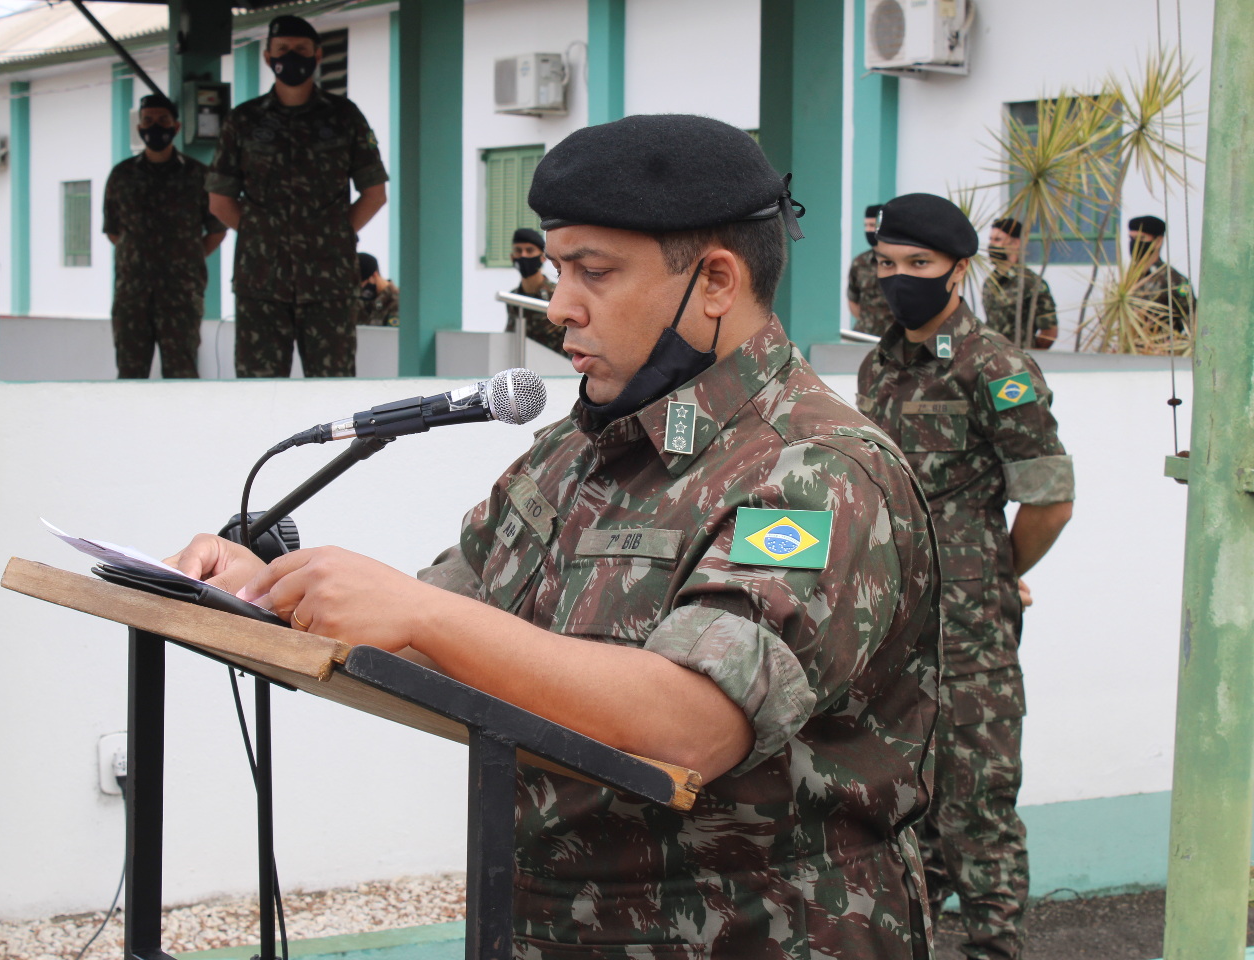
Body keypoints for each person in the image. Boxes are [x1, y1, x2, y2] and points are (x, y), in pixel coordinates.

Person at [169, 115, 941, 959]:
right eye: (556, 266)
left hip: (757, 934)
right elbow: (439, 632)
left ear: (715, 281)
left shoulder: (815, 473)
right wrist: (265, 593)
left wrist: (415, 616)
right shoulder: (576, 453)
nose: (558, 304)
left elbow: (690, 726)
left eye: (593, 273)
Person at [856, 193, 1075, 960]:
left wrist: (994, 573)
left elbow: (1049, 499)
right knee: (903, 819)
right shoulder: (878, 365)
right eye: (888, 264)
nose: (899, 278)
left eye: (918, 265)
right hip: (892, 630)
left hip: (971, 634)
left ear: (957, 270)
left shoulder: (998, 368)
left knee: (978, 814)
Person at [206, 14, 388, 378]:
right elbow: (219, 201)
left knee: (332, 391)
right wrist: (265, 235)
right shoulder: (243, 121)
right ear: (267, 56)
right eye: (283, 49)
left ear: (318, 55)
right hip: (260, 284)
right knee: (257, 391)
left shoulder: (344, 117)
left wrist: (331, 235)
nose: (291, 56)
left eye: (301, 50)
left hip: (329, 286)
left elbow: (374, 193)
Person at [102, 93, 227, 378]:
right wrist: (141, 257)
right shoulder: (122, 175)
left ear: (177, 127)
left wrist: (184, 258)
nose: (154, 126)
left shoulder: (197, 175)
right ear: (139, 127)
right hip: (132, 296)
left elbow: (216, 231)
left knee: (181, 374)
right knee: (130, 374)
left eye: (162, 120)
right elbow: (113, 231)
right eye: (148, 120)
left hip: (180, 295)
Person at [981, 218, 1058, 349]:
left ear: (1016, 243)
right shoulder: (990, 281)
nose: (991, 245)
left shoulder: (1030, 282)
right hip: (992, 358)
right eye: (991, 239)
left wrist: (1028, 356)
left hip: (1019, 360)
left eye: (998, 240)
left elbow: (1049, 333)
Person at [1126, 215, 1196, 337]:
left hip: (1161, 352)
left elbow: (1193, 321)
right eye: (1131, 238)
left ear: (1158, 242)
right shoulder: (1127, 280)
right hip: (1129, 352)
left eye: (1141, 238)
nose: (1134, 244)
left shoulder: (1176, 281)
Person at [503, 227, 563, 354]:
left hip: (556, 368)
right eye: (518, 251)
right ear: (512, 257)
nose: (523, 255)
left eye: (529, 251)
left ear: (543, 257)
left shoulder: (558, 295)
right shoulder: (513, 298)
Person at [846, 203, 894, 337]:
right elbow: (853, 300)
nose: (868, 231)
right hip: (865, 335)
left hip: (894, 337)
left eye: (872, 226)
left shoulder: (900, 262)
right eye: (866, 226)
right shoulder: (860, 262)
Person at [355, 253, 399, 326]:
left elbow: (393, 335)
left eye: (362, 285)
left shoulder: (397, 302)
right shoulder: (360, 302)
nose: (361, 290)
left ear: (375, 275)